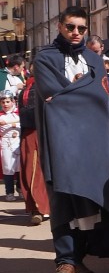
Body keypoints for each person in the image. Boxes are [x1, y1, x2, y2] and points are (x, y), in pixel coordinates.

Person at [33, 6, 109, 273]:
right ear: (59, 26)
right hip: (60, 138)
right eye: (70, 27)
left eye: (81, 28)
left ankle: (78, 258)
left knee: (88, 199)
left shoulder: (94, 59)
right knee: (62, 198)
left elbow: (99, 96)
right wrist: (82, 91)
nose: (76, 33)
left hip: (92, 139)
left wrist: (71, 92)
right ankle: (66, 262)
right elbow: (50, 93)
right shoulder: (45, 58)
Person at [17, 65, 50, 225]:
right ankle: (39, 208)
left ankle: (42, 208)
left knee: (34, 171)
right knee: (35, 172)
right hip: (36, 134)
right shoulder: (35, 90)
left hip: (33, 134)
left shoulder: (26, 90)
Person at [0, 92, 20, 200]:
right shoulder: (1, 116)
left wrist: (13, 124)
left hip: (18, 142)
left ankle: (21, 189)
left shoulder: (18, 113)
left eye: (8, 102)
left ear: (13, 102)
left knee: (20, 167)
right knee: (8, 167)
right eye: (3, 102)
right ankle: (9, 192)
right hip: (6, 143)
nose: (5, 104)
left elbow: (23, 123)